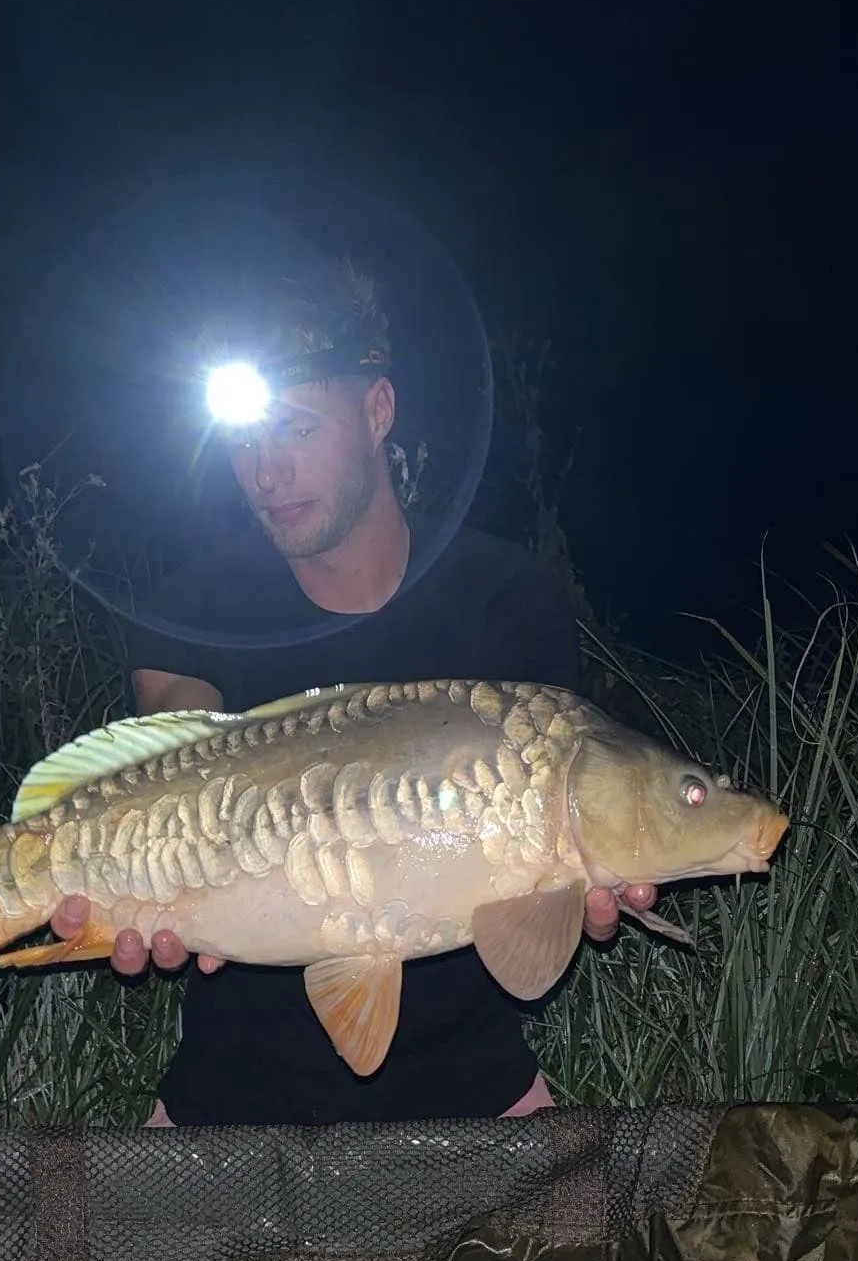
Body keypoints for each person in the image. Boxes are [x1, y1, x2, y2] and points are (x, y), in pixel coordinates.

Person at [48, 259, 657, 1124]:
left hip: (478, 1086)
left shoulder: (507, 599)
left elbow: (551, 853)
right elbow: (173, 741)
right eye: (246, 442)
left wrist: (577, 894)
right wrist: (136, 884)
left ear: (378, 411)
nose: (266, 474)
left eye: (295, 429)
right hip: (227, 1090)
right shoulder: (195, 604)